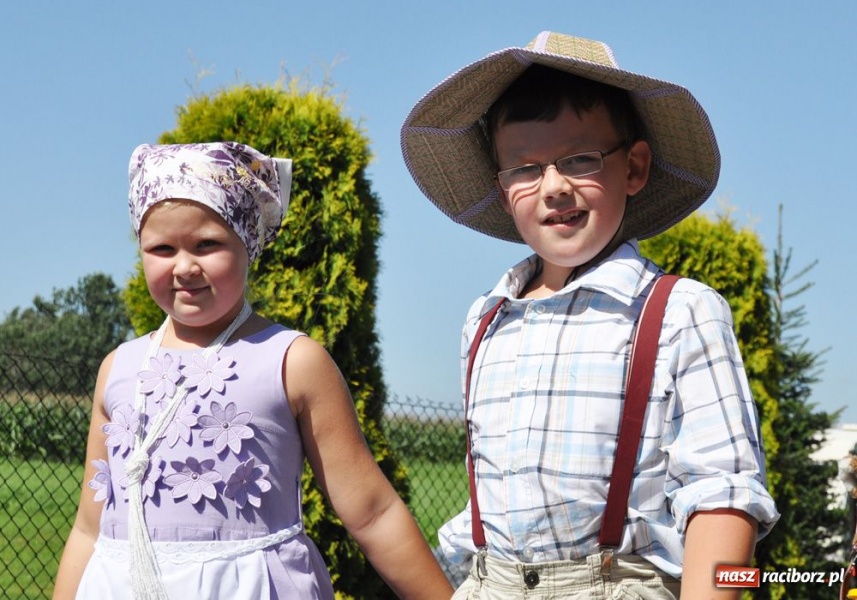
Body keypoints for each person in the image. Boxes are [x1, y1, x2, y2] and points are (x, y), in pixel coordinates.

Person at [400, 31, 779, 599]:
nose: (553, 186)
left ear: (634, 168)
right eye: (524, 169)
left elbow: (722, 493)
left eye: (579, 159)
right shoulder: (486, 321)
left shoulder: (680, 312)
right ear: (503, 192)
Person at [53, 142, 454, 599]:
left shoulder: (292, 360)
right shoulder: (118, 367)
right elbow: (89, 526)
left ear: (248, 243)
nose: (184, 266)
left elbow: (372, 511)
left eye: (207, 244)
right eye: (161, 248)